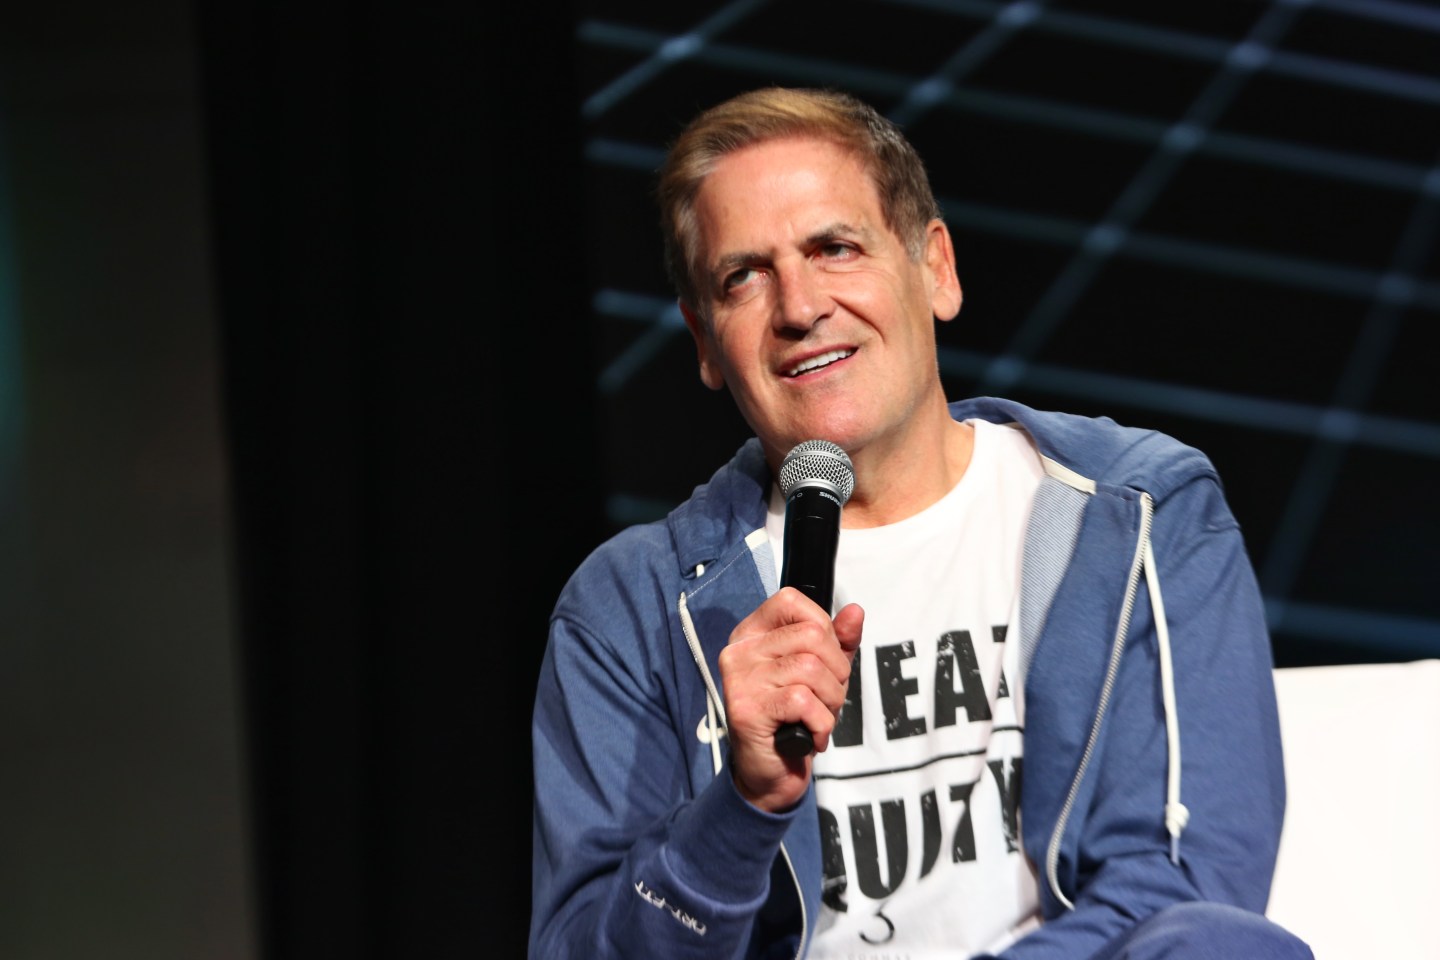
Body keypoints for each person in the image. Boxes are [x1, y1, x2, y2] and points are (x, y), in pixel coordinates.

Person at [529, 86, 1311, 959]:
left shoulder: (1139, 514)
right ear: (705, 341)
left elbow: (1182, 881)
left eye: (834, 247)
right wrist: (741, 807)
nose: (797, 307)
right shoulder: (630, 608)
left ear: (934, 267)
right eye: (742, 276)